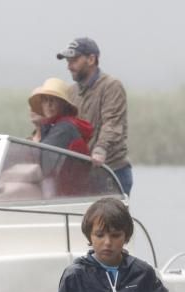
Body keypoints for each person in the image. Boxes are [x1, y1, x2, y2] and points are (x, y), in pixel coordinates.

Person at [56, 37, 133, 195]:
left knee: (110, 220)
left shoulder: (111, 86)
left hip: (111, 172)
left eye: (74, 60)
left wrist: (100, 149)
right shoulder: (71, 92)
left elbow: (112, 123)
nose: (69, 66)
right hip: (83, 175)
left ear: (91, 59)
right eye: (68, 61)